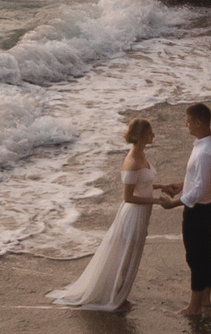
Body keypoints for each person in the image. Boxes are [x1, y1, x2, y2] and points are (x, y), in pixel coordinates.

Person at [48, 117, 158, 312]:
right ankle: (115, 297)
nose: (153, 135)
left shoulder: (142, 154)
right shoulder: (132, 160)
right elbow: (128, 197)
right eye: (150, 132)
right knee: (125, 256)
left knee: (130, 254)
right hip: (133, 214)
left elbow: (144, 184)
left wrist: (162, 187)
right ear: (141, 135)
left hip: (142, 213)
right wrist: (157, 201)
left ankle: (118, 294)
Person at [156, 102, 211, 318]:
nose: (186, 125)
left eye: (188, 121)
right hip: (210, 204)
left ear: (199, 122)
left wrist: (173, 204)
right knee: (206, 253)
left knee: (195, 257)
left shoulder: (204, 152)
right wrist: (181, 185)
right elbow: (203, 180)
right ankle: (205, 299)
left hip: (199, 211)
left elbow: (200, 189)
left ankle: (193, 307)